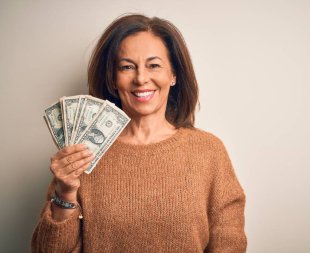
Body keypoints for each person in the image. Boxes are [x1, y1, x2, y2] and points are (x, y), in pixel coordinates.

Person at [31, 14, 247, 252]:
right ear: (113, 79)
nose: (141, 78)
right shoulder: (81, 154)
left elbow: (229, 243)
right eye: (127, 67)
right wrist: (66, 192)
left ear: (173, 75)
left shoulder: (209, 151)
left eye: (154, 65)